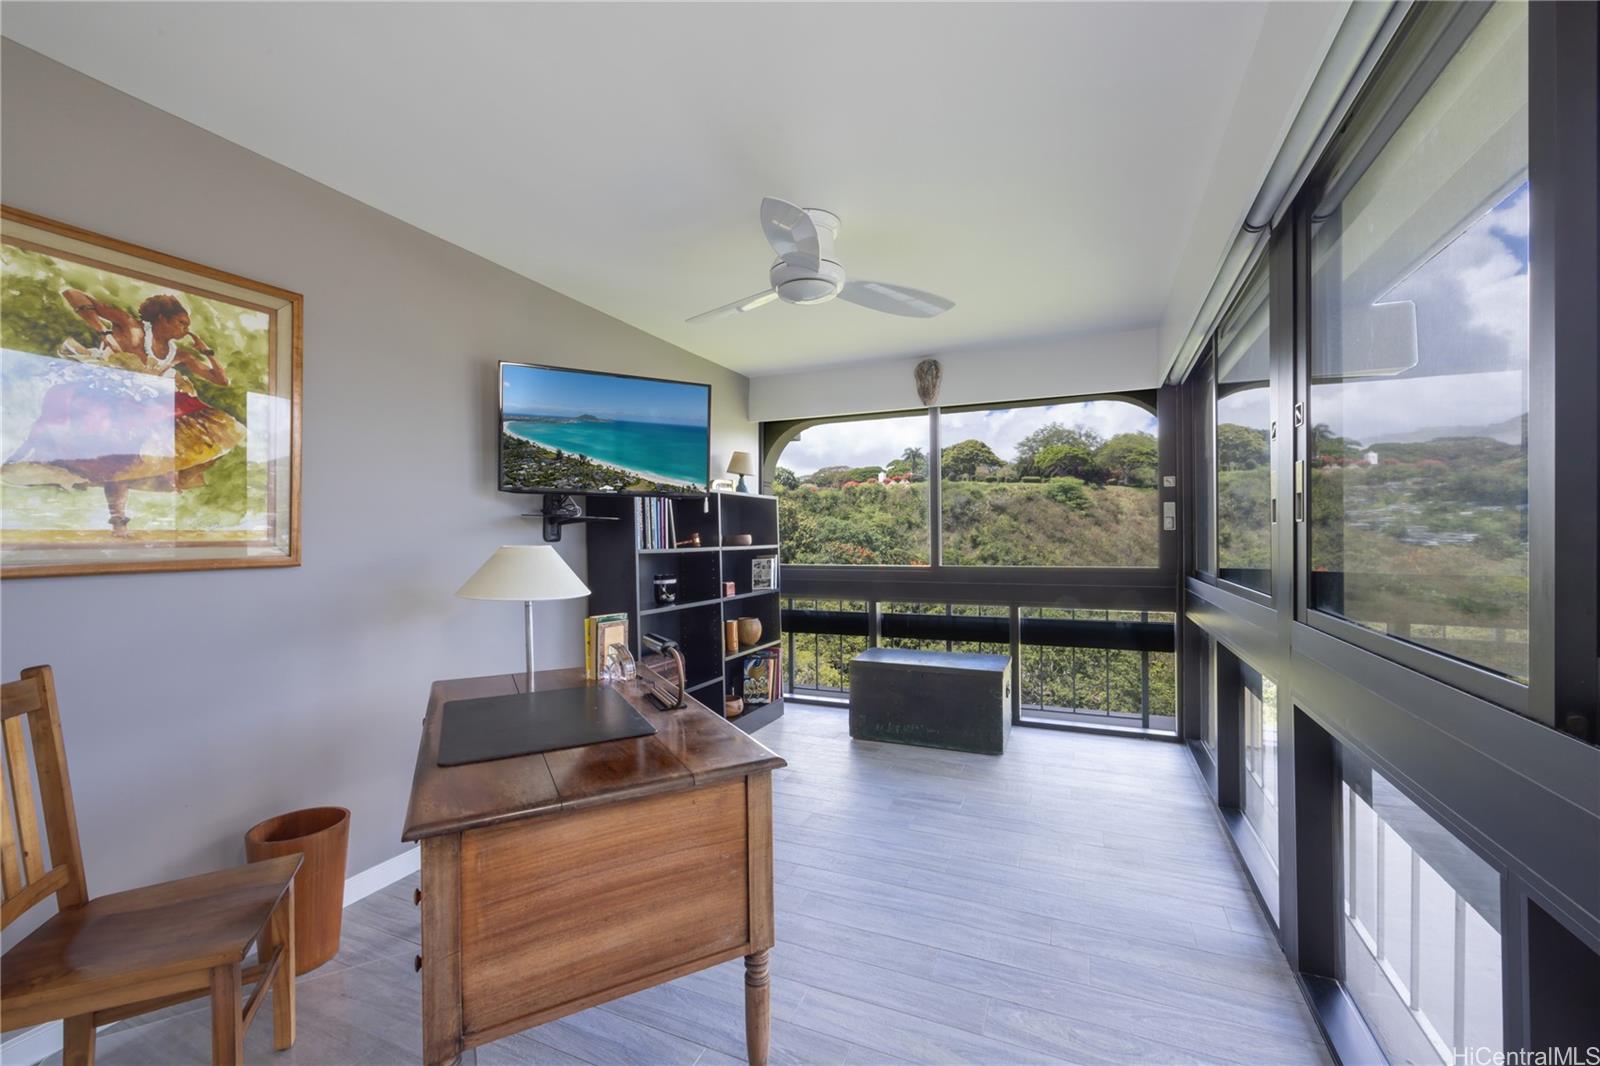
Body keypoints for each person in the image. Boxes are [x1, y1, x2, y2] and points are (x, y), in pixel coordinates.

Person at [2, 291, 245, 535]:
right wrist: (103, 332)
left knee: (131, 463)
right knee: (112, 462)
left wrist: (207, 352)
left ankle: (119, 522)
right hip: (109, 401)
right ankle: (115, 519)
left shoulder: (179, 353)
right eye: (181, 323)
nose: (185, 330)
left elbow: (221, 380)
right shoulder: (131, 327)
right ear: (162, 319)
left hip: (145, 409)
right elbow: (73, 295)